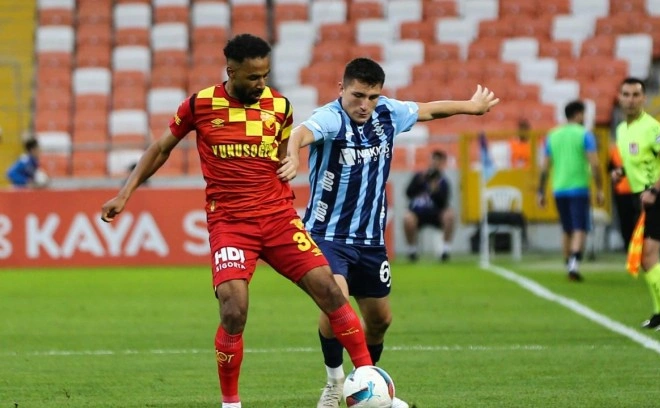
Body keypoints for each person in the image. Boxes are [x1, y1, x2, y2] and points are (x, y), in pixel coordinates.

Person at [100, 34, 374, 408]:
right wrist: (125, 193)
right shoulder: (200, 105)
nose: (261, 84)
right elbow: (161, 148)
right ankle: (231, 404)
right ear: (231, 71)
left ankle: (369, 381)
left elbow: (282, 153)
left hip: (278, 218)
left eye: (265, 75)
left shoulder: (280, 106)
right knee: (233, 309)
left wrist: (290, 164)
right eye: (253, 77)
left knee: (330, 290)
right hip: (230, 224)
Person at [277, 57, 499, 408]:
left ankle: (368, 387)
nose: (365, 105)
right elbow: (300, 133)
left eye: (372, 97)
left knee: (380, 321)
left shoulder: (388, 113)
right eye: (358, 96)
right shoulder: (331, 117)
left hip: (371, 241)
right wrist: (291, 155)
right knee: (336, 302)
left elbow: (428, 110)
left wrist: (470, 107)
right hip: (328, 236)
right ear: (341, 89)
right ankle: (334, 382)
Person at [611, 77, 660, 330]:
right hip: (640, 198)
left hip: (658, 197)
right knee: (644, 258)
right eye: (626, 94)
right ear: (619, 98)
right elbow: (639, 160)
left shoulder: (652, 127)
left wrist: (654, 190)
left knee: (649, 256)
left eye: (636, 95)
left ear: (644, 98)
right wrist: (621, 172)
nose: (631, 100)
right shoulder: (622, 130)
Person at [536, 100, 604, 281]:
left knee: (567, 228)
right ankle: (574, 264)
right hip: (578, 187)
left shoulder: (552, 136)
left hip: (559, 188)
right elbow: (595, 164)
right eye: (584, 114)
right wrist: (600, 188)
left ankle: (568, 263)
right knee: (580, 227)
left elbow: (545, 167)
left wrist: (541, 191)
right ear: (578, 114)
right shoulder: (585, 135)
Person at [402, 149, 455, 262]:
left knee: (449, 215)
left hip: (436, 213)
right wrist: (419, 182)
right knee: (407, 218)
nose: (435, 163)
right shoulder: (419, 176)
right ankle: (412, 250)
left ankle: (445, 250)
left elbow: (444, 202)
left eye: (438, 161)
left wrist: (435, 191)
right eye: (433, 160)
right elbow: (408, 193)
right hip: (418, 213)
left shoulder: (443, 181)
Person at [608, 142, 636, 251]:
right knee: (633, 219)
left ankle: (628, 244)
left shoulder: (615, 149)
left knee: (625, 220)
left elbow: (609, 169)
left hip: (624, 190)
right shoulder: (634, 145)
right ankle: (633, 244)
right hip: (633, 188)